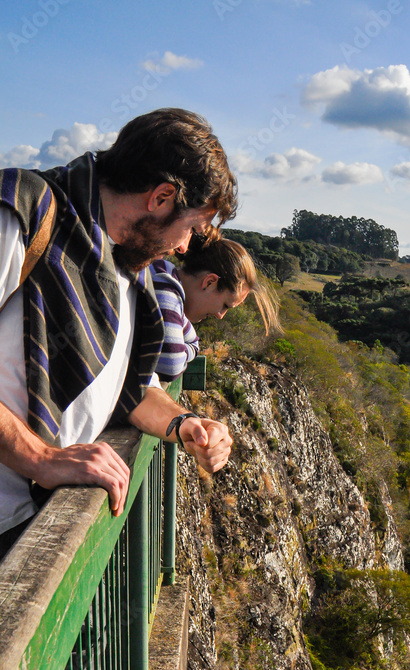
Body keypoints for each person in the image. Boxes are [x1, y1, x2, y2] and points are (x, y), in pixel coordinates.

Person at [0, 108, 238, 559]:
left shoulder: (130, 270)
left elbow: (128, 389)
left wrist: (185, 424)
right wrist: (40, 458)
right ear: (161, 197)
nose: (185, 248)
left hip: (28, 524)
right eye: (190, 228)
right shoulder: (23, 208)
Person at [151, 233, 281, 381]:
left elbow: (194, 343)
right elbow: (171, 366)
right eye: (225, 305)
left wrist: (182, 349)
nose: (220, 315)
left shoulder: (171, 289)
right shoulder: (164, 287)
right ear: (209, 282)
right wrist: (182, 350)